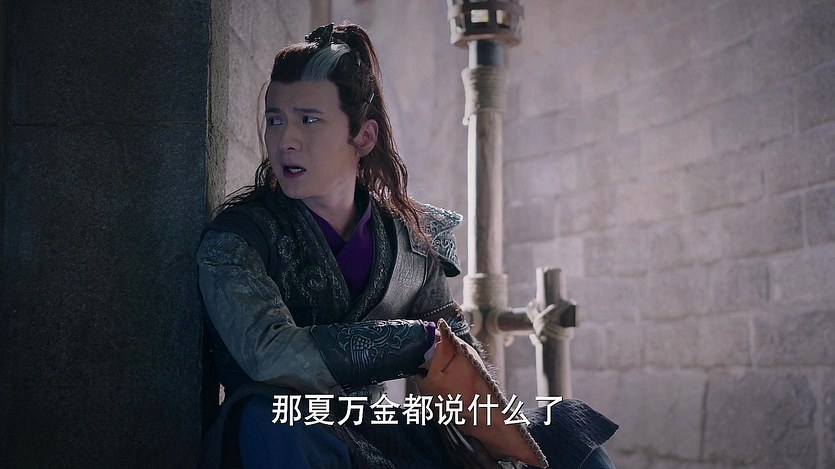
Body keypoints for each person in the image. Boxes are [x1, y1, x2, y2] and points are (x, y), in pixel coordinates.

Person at [197, 22, 617, 469]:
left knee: (565, 433)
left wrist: (504, 444)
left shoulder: (413, 238)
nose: (286, 140)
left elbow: (457, 360)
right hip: (290, 431)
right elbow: (270, 354)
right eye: (275, 120)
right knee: (269, 418)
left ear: (364, 136)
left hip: (379, 426)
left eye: (309, 120)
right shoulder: (238, 239)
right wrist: (410, 341)